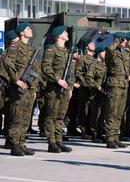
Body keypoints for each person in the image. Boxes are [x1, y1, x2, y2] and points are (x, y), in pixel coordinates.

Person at [3, 23, 37, 156]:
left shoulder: (31, 49)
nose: (30, 30)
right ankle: (14, 144)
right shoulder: (15, 46)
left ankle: (21, 143)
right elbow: (7, 62)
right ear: (21, 33)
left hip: (28, 88)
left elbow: (36, 71)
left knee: (26, 117)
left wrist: (33, 89)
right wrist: (16, 79)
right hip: (17, 88)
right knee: (16, 116)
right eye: (28, 29)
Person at [42, 25, 76, 153]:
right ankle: (52, 143)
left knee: (61, 116)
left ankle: (59, 141)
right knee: (51, 116)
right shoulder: (51, 50)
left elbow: (71, 73)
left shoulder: (67, 52)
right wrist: (57, 79)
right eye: (64, 32)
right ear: (58, 35)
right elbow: (46, 67)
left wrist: (71, 87)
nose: (67, 33)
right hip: (54, 89)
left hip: (65, 89)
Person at [104, 32, 130, 149]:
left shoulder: (125, 54)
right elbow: (110, 49)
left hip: (124, 85)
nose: (125, 42)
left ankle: (116, 137)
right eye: (123, 40)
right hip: (114, 86)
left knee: (120, 114)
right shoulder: (112, 53)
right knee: (112, 112)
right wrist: (117, 41)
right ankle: (110, 138)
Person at [85, 45, 107, 143]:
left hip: (104, 93)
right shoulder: (94, 64)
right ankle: (94, 134)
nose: (106, 54)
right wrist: (98, 87)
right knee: (95, 114)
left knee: (102, 114)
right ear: (99, 53)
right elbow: (88, 78)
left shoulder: (106, 65)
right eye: (104, 52)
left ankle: (99, 133)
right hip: (96, 93)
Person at [76, 38, 96, 139]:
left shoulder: (96, 58)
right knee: (84, 109)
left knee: (92, 109)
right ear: (87, 46)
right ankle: (84, 130)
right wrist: (85, 83)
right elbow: (78, 73)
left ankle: (91, 129)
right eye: (91, 43)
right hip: (85, 88)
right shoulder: (83, 58)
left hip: (94, 88)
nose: (93, 44)